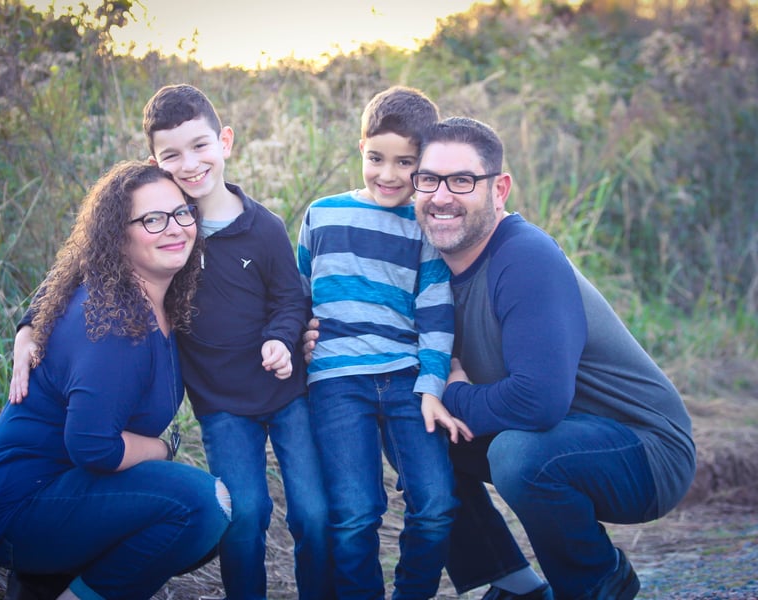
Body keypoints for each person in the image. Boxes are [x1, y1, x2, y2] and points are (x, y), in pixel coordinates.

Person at [10, 84, 334, 600]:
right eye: (172, 154)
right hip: (220, 406)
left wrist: (283, 336)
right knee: (242, 511)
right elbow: (81, 265)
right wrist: (29, 324)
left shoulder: (259, 227)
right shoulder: (163, 227)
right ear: (155, 161)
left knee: (314, 512)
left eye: (201, 146)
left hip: (285, 393)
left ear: (225, 141)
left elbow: (291, 299)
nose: (190, 164)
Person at [409, 117, 697, 600]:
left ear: (499, 189)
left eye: (462, 181)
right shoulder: (429, 268)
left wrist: (453, 393)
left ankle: (599, 583)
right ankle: (513, 584)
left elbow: (537, 402)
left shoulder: (525, 257)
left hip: (645, 451)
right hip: (558, 435)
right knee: (408, 423)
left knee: (518, 454)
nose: (441, 196)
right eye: (429, 179)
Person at [0, 161, 231, 600]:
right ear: (117, 236)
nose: (174, 228)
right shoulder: (114, 324)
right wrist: (163, 450)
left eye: (182, 213)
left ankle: (43, 583)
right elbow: (92, 445)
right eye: (152, 220)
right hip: (19, 506)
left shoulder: (160, 295)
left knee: (200, 517)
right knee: (202, 504)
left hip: (64, 489)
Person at [297, 86, 471, 600]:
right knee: (354, 515)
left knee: (437, 503)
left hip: (406, 379)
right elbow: (296, 296)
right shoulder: (322, 215)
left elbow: (437, 315)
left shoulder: (426, 225)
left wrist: (432, 386)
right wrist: (293, 338)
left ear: (426, 164)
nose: (389, 175)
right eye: (377, 158)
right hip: (335, 381)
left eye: (406, 163)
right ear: (361, 150)